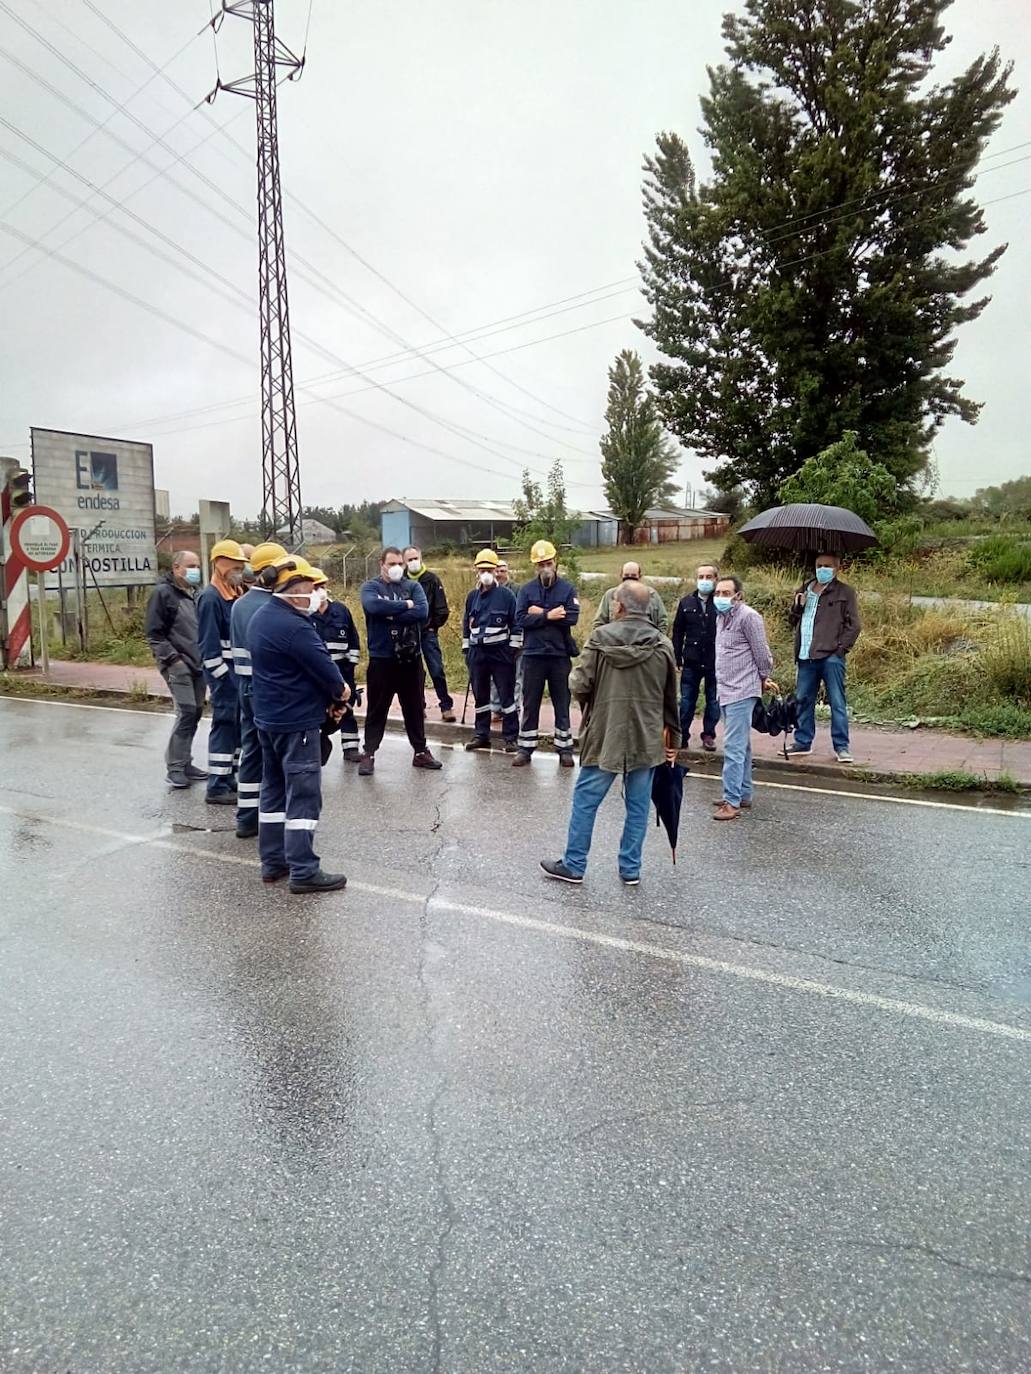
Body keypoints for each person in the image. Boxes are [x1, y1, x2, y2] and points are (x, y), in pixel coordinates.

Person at [541, 580, 681, 886]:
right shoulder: (662, 645)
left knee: (586, 799)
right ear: (649, 609)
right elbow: (672, 698)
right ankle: (630, 868)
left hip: (606, 731)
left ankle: (575, 864)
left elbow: (578, 684)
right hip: (647, 736)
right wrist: (675, 741)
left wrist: (589, 705)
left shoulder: (600, 639)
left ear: (619, 606)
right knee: (638, 805)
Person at [249, 557, 349, 893]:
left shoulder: (261, 617)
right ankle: (303, 870)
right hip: (296, 724)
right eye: (312, 588)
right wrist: (341, 695)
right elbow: (331, 676)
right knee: (304, 797)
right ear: (293, 591)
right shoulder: (296, 626)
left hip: (268, 720)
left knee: (274, 792)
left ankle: (273, 862)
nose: (318, 594)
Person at [357, 547, 442, 775]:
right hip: (381, 660)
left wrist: (389, 613)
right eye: (391, 564)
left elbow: (422, 612)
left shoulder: (412, 587)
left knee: (414, 708)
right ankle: (369, 752)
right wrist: (405, 606)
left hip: (410, 659)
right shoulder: (371, 587)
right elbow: (373, 606)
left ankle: (420, 752)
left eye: (399, 564)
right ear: (381, 564)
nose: (396, 568)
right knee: (377, 709)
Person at [229, 541, 286, 838]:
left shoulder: (240, 604)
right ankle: (277, 819)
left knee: (251, 750)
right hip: (268, 688)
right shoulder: (272, 606)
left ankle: (247, 817)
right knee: (277, 754)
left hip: (246, 687)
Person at [712, 575, 778, 821]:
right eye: (718, 592)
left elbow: (762, 653)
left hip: (742, 689)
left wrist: (763, 677)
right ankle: (743, 793)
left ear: (738, 595)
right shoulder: (721, 618)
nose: (720, 597)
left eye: (725, 592)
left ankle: (731, 801)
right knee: (742, 745)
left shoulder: (749, 617)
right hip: (725, 689)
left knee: (733, 747)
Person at [787, 552, 861, 764]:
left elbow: (854, 625)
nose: (822, 569)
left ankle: (841, 746)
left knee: (837, 702)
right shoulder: (805, 589)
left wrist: (840, 649)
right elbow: (792, 621)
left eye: (827, 565)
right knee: (803, 700)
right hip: (805, 654)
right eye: (819, 565)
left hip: (830, 656)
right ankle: (802, 742)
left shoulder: (845, 592)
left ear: (837, 568)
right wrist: (797, 606)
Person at [513, 540, 580, 768]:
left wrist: (539, 613)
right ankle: (525, 748)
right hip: (533, 654)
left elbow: (572, 617)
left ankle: (564, 748)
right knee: (530, 702)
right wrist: (549, 616)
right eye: (540, 564)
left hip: (559, 655)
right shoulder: (526, 590)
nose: (545, 568)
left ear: (556, 562)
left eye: (548, 563)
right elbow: (520, 619)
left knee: (562, 701)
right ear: (535, 566)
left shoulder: (567, 589)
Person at [145, 548, 206, 789]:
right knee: (187, 711)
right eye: (190, 566)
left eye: (197, 565)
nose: (195, 570)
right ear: (176, 568)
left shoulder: (196, 594)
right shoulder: (163, 594)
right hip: (177, 663)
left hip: (199, 664)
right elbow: (154, 633)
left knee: (197, 712)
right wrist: (174, 660)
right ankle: (175, 768)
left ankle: (185, 761)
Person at [196, 539, 246, 805]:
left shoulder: (232, 593)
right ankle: (216, 785)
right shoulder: (211, 598)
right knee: (224, 727)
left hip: (236, 675)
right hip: (225, 678)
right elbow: (209, 647)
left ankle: (228, 777)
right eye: (236, 565)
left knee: (236, 729)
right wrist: (223, 679)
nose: (240, 570)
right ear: (219, 564)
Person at [462, 548, 521, 752]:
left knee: (506, 696)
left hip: (501, 653)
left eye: (489, 568)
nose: (486, 572)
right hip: (478, 653)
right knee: (481, 696)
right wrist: (467, 651)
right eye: (482, 569)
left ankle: (511, 737)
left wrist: (512, 649)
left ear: (496, 570)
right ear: (476, 571)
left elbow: (516, 624)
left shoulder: (507, 596)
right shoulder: (472, 597)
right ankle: (481, 734)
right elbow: (465, 625)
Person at [310, 568, 362, 761]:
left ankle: (351, 748)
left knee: (346, 707)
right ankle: (316, 749)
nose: (320, 591)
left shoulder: (341, 610)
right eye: (315, 587)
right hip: (317, 675)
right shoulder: (305, 614)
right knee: (317, 711)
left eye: (322, 586)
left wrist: (351, 666)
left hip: (342, 670)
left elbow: (354, 640)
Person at [403, 546, 455, 722]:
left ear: (421, 557)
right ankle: (419, 706)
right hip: (408, 635)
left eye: (415, 558)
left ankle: (446, 706)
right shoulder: (401, 581)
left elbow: (442, 608)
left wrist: (433, 626)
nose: (413, 562)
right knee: (414, 673)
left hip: (427, 633)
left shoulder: (432, 580)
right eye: (409, 560)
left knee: (436, 669)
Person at [671, 562, 720, 752]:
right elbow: (677, 631)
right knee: (686, 700)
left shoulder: (721, 602)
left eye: (709, 577)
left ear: (716, 579)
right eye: (701, 577)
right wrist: (677, 657)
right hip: (691, 659)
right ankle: (682, 734)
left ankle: (709, 735)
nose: (705, 581)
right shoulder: (686, 602)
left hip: (714, 660)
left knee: (713, 700)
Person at [593, 562, 670, 634]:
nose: (629, 578)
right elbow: (599, 622)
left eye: (633, 576)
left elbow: (662, 622)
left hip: (645, 643)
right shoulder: (610, 595)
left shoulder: (652, 595)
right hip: (616, 644)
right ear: (621, 576)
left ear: (640, 577)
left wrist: (657, 641)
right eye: (626, 576)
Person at [490, 559, 523, 721]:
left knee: (516, 676)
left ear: (508, 572)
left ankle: (514, 708)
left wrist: (518, 640)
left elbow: (520, 615)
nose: (499, 574)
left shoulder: (517, 590)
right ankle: (496, 708)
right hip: (495, 642)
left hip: (514, 640)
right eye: (496, 570)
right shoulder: (488, 590)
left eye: (502, 570)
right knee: (495, 677)